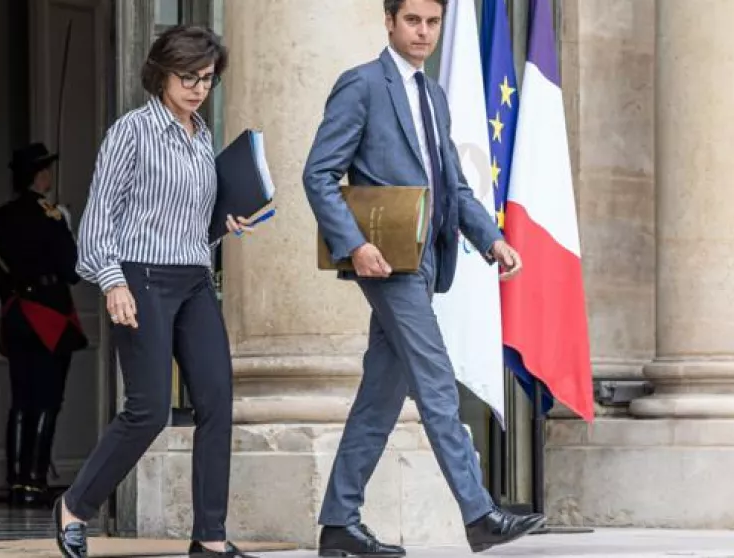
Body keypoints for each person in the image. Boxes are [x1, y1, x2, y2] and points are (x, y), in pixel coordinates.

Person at [303, 0, 547, 555]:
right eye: (413, 20)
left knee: (379, 399)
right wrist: (355, 245)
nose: (424, 32)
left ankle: (339, 524)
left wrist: (493, 239)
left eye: (433, 22)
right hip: (386, 262)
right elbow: (318, 173)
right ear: (389, 21)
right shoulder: (361, 85)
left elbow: (454, 185)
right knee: (436, 381)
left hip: (426, 261)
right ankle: (479, 513)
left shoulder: (432, 95)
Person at [52, 25, 256, 558]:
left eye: (207, 78)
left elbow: (183, 222)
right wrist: (113, 281)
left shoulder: (202, 136)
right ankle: (75, 505)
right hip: (140, 277)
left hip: (193, 278)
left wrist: (220, 223)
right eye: (186, 76)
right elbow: (97, 222)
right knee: (148, 410)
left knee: (216, 400)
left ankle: (209, 536)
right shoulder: (131, 132)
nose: (196, 87)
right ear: (161, 73)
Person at [0, 143, 89, 509]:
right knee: (47, 400)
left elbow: (0, 274)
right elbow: (71, 270)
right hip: (49, 316)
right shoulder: (50, 216)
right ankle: (34, 482)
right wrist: (66, 226)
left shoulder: (0, 217)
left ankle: (16, 484)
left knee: (21, 402)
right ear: (39, 174)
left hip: (17, 315)